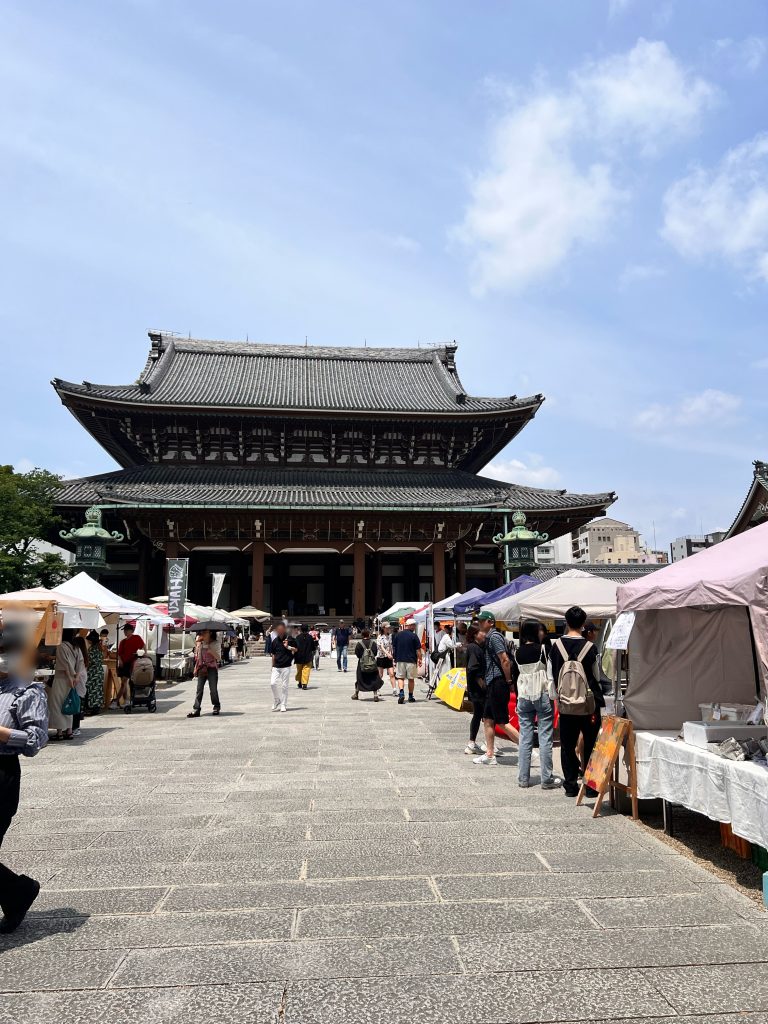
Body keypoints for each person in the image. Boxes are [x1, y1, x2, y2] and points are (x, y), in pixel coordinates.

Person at [0, 621, 48, 933]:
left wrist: (2, 734)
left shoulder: (26, 691)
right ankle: (17, 892)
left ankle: (18, 893)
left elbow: (35, 740)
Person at [550, 605, 604, 798]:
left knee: (567, 744)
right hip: (588, 704)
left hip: (565, 704)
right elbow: (596, 676)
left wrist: (556, 699)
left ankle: (571, 785)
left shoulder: (556, 646)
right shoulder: (590, 647)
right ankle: (590, 787)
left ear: (566, 622)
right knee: (590, 743)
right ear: (583, 624)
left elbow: (552, 677)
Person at [514, 619, 561, 790]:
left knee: (525, 737)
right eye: (541, 630)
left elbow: (515, 675)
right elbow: (552, 672)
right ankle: (546, 778)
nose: (543, 633)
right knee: (545, 737)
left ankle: (523, 778)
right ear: (534, 632)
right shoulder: (543, 649)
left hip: (524, 696)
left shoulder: (517, 652)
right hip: (542, 695)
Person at [472, 611, 519, 766]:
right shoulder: (490, 637)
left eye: (482, 621)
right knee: (487, 719)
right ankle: (490, 754)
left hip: (499, 681)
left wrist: (508, 680)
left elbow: (504, 660)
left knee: (501, 721)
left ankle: (528, 749)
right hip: (493, 682)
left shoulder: (494, 637)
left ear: (490, 622)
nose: (479, 624)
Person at [48, 628, 85, 740]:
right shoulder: (76, 646)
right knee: (69, 702)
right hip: (73, 679)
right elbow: (80, 662)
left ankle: (59, 732)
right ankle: (69, 730)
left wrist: (69, 677)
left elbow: (64, 663)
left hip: (61, 678)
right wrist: (76, 676)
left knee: (57, 704)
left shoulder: (61, 646)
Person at [464, 625, 487, 755]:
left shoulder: (477, 647)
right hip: (478, 689)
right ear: (474, 634)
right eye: (481, 632)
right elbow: (473, 668)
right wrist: (482, 684)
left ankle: (472, 743)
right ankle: (484, 743)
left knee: (478, 715)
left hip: (476, 689)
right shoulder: (473, 648)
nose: (483, 634)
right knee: (485, 715)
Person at [187, 629, 220, 718]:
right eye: (202, 632)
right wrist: (198, 646)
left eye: (205, 632)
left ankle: (216, 706)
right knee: (199, 689)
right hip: (202, 668)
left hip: (212, 668)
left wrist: (210, 650)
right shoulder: (200, 643)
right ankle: (196, 709)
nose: (203, 634)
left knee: (213, 690)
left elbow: (218, 657)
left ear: (210, 633)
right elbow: (197, 657)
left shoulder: (215, 643)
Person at [392, 618, 422, 704]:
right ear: (410, 626)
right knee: (411, 679)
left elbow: (394, 648)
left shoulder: (398, 635)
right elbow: (418, 650)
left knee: (400, 677)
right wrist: (420, 659)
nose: (414, 626)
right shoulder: (414, 636)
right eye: (413, 625)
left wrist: (395, 659)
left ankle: (401, 693)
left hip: (400, 659)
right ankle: (410, 696)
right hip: (411, 660)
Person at [115, 623, 143, 709]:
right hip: (123, 664)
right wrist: (120, 661)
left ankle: (116, 701)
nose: (125, 632)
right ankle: (125, 700)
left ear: (131, 631)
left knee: (124, 682)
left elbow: (143, 646)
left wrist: (144, 654)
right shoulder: (123, 642)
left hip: (131, 663)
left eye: (127, 630)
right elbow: (119, 654)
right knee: (124, 682)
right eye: (124, 630)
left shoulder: (136, 638)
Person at [270, 623, 293, 712]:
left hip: (286, 666)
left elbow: (296, 649)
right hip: (276, 666)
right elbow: (273, 655)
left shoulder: (289, 639)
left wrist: (288, 647)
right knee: (272, 683)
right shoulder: (274, 641)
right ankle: (277, 699)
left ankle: (283, 704)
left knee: (284, 686)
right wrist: (272, 666)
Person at [352, 630, 382, 701]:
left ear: (362, 635)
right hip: (372, 664)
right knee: (374, 678)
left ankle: (356, 693)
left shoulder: (359, 644)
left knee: (360, 679)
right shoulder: (373, 643)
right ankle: (375, 695)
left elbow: (357, 654)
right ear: (369, 634)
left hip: (362, 664)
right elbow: (375, 653)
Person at [84, 630, 104, 716]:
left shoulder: (92, 649)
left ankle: (92, 707)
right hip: (99, 671)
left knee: (92, 690)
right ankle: (97, 707)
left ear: (91, 640)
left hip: (93, 672)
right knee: (98, 690)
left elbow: (89, 661)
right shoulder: (99, 648)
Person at [293, 623, 317, 690]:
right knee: (306, 670)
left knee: (299, 670)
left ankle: (300, 682)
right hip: (307, 657)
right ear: (307, 629)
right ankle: (304, 684)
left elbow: (295, 647)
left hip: (298, 657)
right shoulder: (310, 637)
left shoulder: (297, 637)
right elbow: (313, 648)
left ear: (300, 629)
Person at [375, 622, 397, 696]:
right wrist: (387, 654)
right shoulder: (379, 637)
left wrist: (392, 655)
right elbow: (381, 647)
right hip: (381, 657)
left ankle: (394, 689)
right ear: (383, 628)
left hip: (389, 657)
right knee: (380, 674)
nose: (388, 629)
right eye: (387, 627)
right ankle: (377, 689)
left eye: (389, 627)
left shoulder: (390, 636)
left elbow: (390, 646)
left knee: (391, 673)